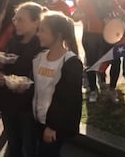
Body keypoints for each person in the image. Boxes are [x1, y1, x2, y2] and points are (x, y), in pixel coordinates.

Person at [0, 2, 45, 157]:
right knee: (13, 144)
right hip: (8, 102)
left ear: (36, 22)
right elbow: (8, 68)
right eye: (15, 19)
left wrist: (18, 82)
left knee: (30, 147)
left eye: (21, 19)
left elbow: (43, 80)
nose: (15, 22)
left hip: (28, 106)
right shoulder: (14, 41)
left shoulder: (42, 46)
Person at [33, 11, 82, 157]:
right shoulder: (40, 57)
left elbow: (67, 99)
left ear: (58, 35)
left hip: (54, 125)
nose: (38, 34)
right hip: (38, 119)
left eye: (42, 30)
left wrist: (52, 126)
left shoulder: (71, 62)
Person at [72, 0, 120, 103]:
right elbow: (75, 15)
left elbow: (118, 10)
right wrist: (79, 15)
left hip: (109, 34)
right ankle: (93, 90)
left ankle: (112, 89)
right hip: (90, 35)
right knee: (92, 63)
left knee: (116, 60)